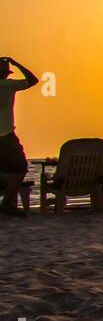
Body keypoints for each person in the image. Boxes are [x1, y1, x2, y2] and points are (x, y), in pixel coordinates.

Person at [1, 56, 39, 216]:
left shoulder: (8, 85)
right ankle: (7, 203)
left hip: (7, 136)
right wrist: (16, 63)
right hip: (6, 136)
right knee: (20, 168)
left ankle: (8, 203)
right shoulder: (8, 85)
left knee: (11, 170)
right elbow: (32, 80)